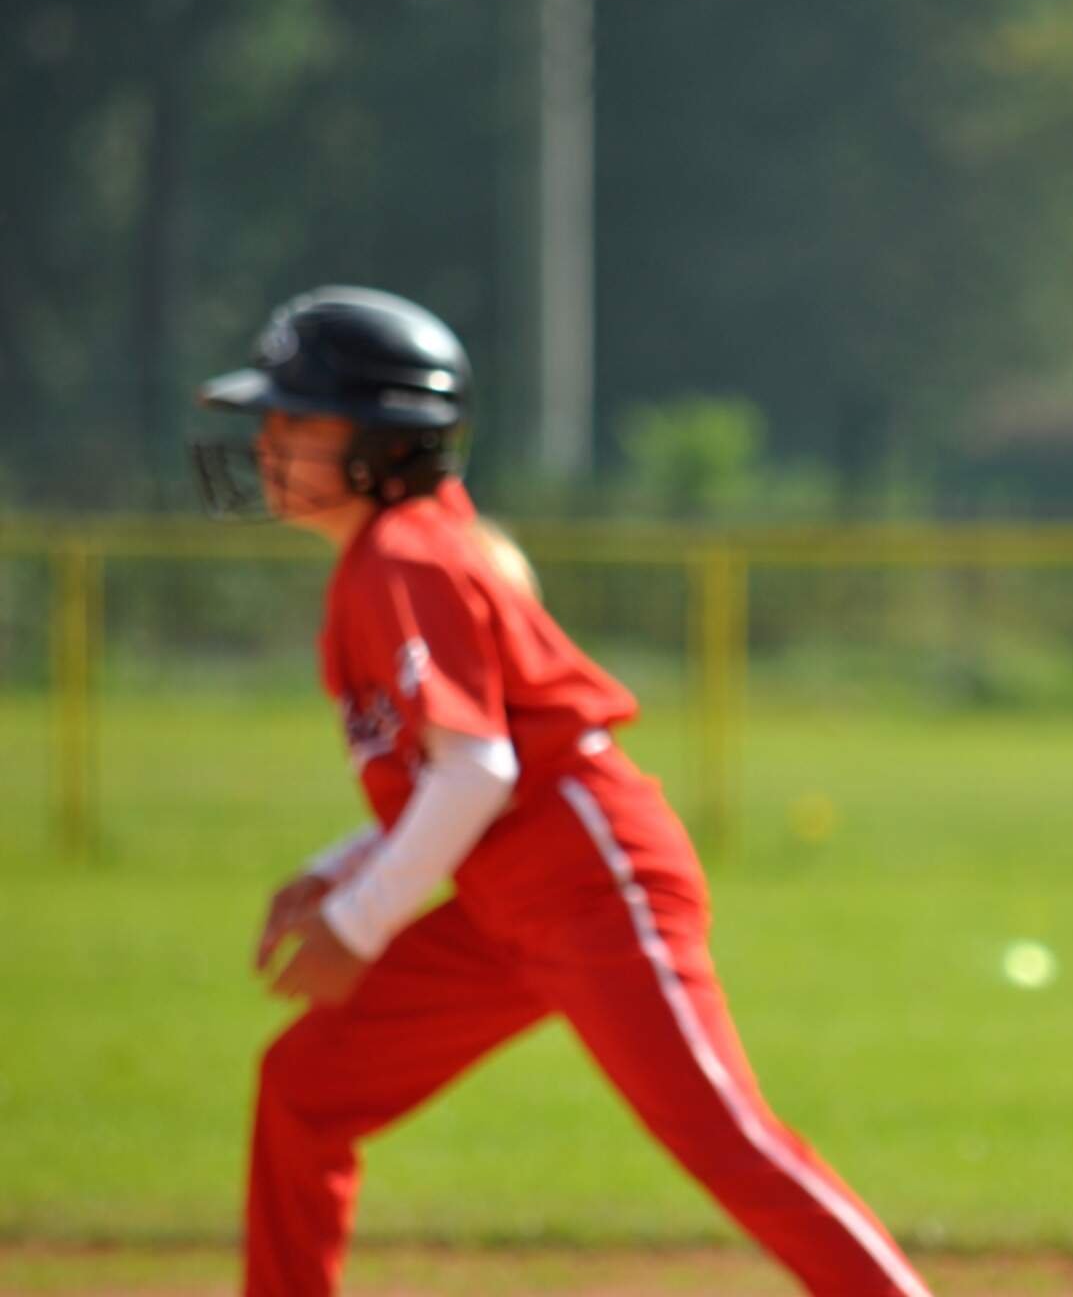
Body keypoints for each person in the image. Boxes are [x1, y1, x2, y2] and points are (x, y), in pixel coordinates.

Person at [192, 286, 931, 1297]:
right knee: (306, 1086)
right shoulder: (388, 554)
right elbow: (448, 776)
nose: (267, 441)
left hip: (594, 878)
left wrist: (357, 921)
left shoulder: (404, 554)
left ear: (383, 438)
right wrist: (335, 868)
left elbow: (481, 767)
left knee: (728, 1141)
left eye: (295, 418)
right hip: (507, 898)